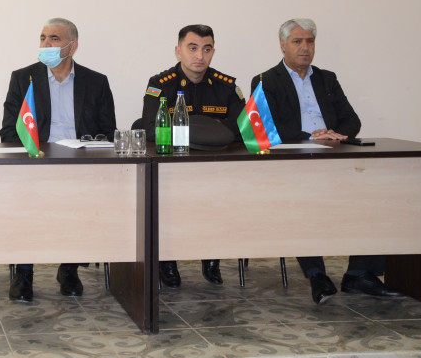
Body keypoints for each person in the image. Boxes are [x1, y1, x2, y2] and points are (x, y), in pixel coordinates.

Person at [252, 18, 402, 304]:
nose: (305, 47)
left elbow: (352, 120)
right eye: (297, 41)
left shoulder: (327, 78)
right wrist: (312, 136)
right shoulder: (265, 81)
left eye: (310, 41)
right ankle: (317, 275)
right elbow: (268, 128)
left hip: (335, 156)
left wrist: (335, 135)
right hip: (294, 160)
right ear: (283, 45)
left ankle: (359, 274)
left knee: (378, 195)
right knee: (302, 201)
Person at [0, 17, 116, 302]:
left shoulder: (96, 82)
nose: (46, 44)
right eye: (42, 38)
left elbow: (108, 131)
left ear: (72, 47)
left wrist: (86, 149)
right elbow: (8, 132)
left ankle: (69, 269)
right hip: (37, 162)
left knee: (83, 202)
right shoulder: (23, 78)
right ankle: (24, 272)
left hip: (80, 164)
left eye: (54, 38)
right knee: (27, 203)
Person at [142, 24, 245, 288]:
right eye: (192, 48)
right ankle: (167, 261)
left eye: (206, 49)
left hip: (215, 169)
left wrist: (189, 130)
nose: (200, 55)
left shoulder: (226, 86)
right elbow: (150, 128)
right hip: (172, 170)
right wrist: (210, 131)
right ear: (178, 51)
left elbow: (242, 129)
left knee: (219, 199)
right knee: (165, 200)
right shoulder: (160, 84)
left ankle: (212, 257)